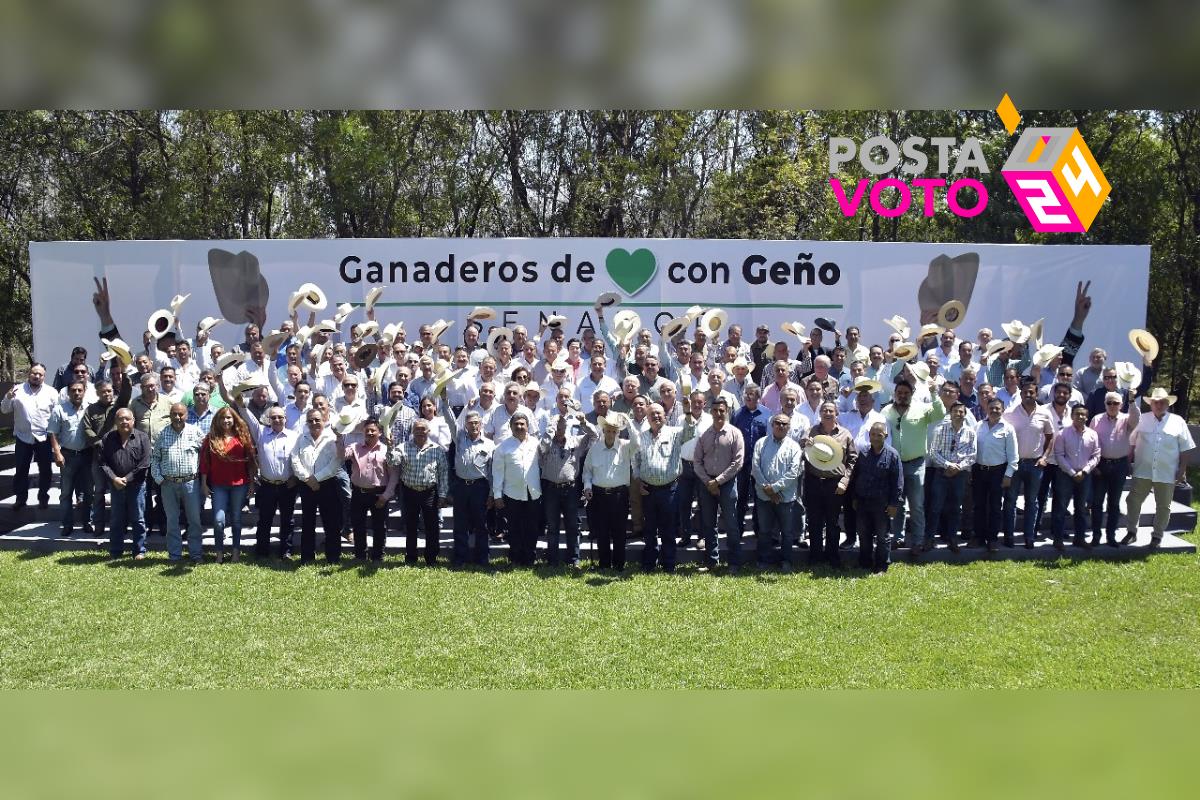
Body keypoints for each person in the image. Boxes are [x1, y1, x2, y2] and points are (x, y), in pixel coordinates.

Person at [1123, 388, 1196, 549]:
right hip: (1143, 470)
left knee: (1163, 505)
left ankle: (1157, 536)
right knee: (1133, 501)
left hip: (1166, 472)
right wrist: (1127, 462)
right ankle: (1131, 532)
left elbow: (1185, 448)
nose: (1158, 404)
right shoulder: (1142, 420)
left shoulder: (1178, 421)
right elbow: (1131, 441)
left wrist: (1182, 470)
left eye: (1162, 402)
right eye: (1155, 402)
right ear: (1151, 404)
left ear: (1167, 404)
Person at [882, 378, 945, 554]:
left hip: (916, 463)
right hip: (895, 465)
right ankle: (898, 538)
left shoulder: (922, 409)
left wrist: (934, 393)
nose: (902, 396)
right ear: (894, 394)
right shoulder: (886, 411)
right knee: (897, 503)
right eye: (899, 393)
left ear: (912, 394)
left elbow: (940, 413)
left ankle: (917, 540)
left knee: (916, 504)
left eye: (906, 393)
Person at [636, 402, 697, 573]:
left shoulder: (675, 433)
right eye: (652, 414)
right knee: (649, 529)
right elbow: (636, 461)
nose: (656, 416)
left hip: (669, 490)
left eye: (659, 413)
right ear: (647, 417)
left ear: (665, 416)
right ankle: (649, 563)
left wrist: (688, 412)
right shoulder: (641, 436)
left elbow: (691, 431)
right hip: (647, 490)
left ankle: (668, 563)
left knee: (668, 529)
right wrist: (638, 481)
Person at [693, 397, 746, 573]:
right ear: (711, 412)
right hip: (706, 484)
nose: (718, 414)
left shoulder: (735, 433)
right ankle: (711, 561)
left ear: (727, 411)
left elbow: (738, 462)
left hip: (727, 484)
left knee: (731, 523)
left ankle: (734, 562)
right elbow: (697, 461)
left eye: (721, 410)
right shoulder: (704, 434)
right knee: (708, 524)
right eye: (715, 411)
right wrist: (708, 481)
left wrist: (718, 481)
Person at [242, 404, 300, 559]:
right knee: (265, 520)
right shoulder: (261, 433)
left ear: (285, 419)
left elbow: (299, 458)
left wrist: (295, 478)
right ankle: (262, 551)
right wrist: (241, 405)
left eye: (280, 417)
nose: (277, 420)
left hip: (288, 485)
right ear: (269, 419)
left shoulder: (294, 436)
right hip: (267, 485)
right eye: (273, 417)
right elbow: (250, 419)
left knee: (287, 520)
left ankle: (285, 551)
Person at [200, 406, 257, 562]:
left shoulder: (243, 437)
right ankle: (219, 553)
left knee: (237, 519)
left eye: (229, 418)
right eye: (223, 418)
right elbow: (205, 462)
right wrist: (204, 484)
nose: (226, 420)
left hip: (239, 484)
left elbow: (250, 462)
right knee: (219, 521)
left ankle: (236, 552)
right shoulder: (211, 437)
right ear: (217, 420)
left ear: (234, 419)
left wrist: (252, 484)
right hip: (219, 485)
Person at [803, 400, 856, 567]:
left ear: (836, 414)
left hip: (835, 484)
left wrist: (845, 480)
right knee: (814, 521)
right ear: (820, 413)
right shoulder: (811, 431)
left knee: (833, 523)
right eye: (824, 410)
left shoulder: (845, 434)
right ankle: (815, 556)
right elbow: (802, 450)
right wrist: (804, 443)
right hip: (814, 482)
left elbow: (853, 460)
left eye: (831, 411)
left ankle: (833, 556)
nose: (827, 413)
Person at [538, 406, 593, 568]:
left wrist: (583, 422)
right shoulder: (546, 442)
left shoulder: (575, 442)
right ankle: (552, 560)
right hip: (551, 489)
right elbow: (542, 450)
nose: (559, 430)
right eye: (557, 427)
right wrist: (550, 430)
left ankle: (574, 559)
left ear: (567, 427)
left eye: (562, 427)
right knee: (553, 526)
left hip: (570, 489)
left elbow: (594, 436)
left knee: (572, 526)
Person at [1003, 377, 1055, 549]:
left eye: (1031, 392)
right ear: (1021, 393)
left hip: (1035, 465)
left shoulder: (1044, 413)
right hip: (1015, 464)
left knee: (1032, 502)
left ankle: (1029, 537)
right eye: (1024, 392)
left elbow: (1050, 436)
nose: (1027, 395)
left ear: (1036, 393)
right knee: (1010, 501)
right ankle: (1009, 536)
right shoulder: (1010, 413)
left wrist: (1045, 457)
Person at [151, 403, 206, 563]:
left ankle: (196, 554)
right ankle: (175, 555)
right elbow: (155, 458)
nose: (177, 417)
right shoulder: (163, 433)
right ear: (170, 415)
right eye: (174, 414)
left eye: (181, 414)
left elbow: (205, 457)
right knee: (172, 521)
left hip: (191, 483)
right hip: (168, 484)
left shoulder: (195, 432)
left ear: (187, 415)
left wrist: (203, 479)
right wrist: (159, 479)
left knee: (194, 520)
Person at [582, 413, 638, 571]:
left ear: (618, 432)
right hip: (599, 495)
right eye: (608, 430)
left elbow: (638, 443)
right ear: (603, 430)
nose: (611, 433)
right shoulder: (595, 449)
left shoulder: (626, 446)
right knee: (602, 531)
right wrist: (587, 486)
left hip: (619, 495)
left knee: (619, 531)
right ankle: (604, 564)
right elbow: (587, 471)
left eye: (614, 431)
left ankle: (619, 565)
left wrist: (629, 423)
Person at [443, 405, 496, 566]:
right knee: (460, 524)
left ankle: (483, 558)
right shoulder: (459, 438)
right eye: (470, 423)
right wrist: (445, 403)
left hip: (480, 487)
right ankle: (460, 558)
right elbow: (451, 421)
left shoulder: (489, 445)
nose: (473, 425)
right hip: (460, 486)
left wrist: (492, 494)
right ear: (465, 425)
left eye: (476, 423)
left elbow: (492, 472)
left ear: (481, 425)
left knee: (481, 524)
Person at [2, 364, 60, 511]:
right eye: (34, 373)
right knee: (21, 469)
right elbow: (4, 409)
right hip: (23, 436)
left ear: (44, 376)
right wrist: (8, 397)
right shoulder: (17, 390)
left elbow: (57, 416)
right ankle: (20, 499)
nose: (37, 376)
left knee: (46, 469)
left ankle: (43, 498)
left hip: (44, 437)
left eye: (40, 374)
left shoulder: (52, 392)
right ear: (29, 374)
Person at [392, 419, 449, 565]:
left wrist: (442, 495)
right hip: (409, 492)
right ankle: (411, 557)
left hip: (429, 492)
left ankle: (431, 558)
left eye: (423, 429)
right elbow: (393, 462)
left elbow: (443, 474)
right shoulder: (403, 447)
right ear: (412, 431)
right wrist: (389, 447)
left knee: (432, 527)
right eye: (417, 429)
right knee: (410, 526)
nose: (420, 432)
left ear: (428, 431)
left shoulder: (437, 450)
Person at [291, 409, 344, 564]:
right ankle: (307, 556)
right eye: (311, 420)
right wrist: (307, 478)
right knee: (308, 522)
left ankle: (333, 557)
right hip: (306, 485)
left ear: (324, 420)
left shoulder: (332, 438)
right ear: (307, 423)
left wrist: (317, 478)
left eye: (317, 420)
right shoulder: (301, 438)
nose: (314, 423)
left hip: (327, 485)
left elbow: (336, 462)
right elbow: (295, 459)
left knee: (331, 523)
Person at [848, 421, 903, 572]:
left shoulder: (893, 455)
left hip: (882, 503)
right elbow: (856, 475)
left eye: (879, 435)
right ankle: (864, 563)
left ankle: (881, 566)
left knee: (882, 536)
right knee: (864, 534)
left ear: (885, 435)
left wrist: (893, 503)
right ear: (869, 435)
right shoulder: (864, 453)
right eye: (873, 434)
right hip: (863, 501)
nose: (876, 437)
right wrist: (854, 497)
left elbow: (898, 482)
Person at [751, 412, 803, 570]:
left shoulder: (794, 447)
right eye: (778, 423)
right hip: (763, 496)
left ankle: (786, 560)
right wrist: (768, 489)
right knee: (765, 531)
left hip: (785, 497)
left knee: (787, 532)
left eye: (784, 424)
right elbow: (755, 467)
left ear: (789, 427)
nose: (781, 426)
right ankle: (764, 560)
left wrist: (773, 489)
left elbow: (794, 472)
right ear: (772, 425)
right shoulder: (761, 443)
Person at [1090, 390, 1140, 547]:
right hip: (1100, 465)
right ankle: (1096, 536)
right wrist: (1093, 465)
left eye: (1116, 403)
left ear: (1121, 405)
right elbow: (1090, 442)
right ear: (1105, 404)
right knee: (1097, 503)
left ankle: (1111, 536)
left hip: (1119, 466)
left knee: (1114, 503)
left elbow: (1137, 418)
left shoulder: (1127, 419)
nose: (1112, 406)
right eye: (1109, 403)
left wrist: (1132, 400)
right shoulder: (1096, 419)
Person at [926, 403, 978, 552]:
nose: (958, 414)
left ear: (965, 414)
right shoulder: (940, 430)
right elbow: (933, 452)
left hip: (960, 475)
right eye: (955, 411)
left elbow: (972, 455)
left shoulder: (970, 433)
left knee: (955, 508)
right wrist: (948, 465)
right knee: (935, 507)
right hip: (941, 473)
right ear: (950, 413)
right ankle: (929, 539)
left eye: (961, 412)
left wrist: (958, 467)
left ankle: (952, 539)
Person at [98, 408, 150, 559]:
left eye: (127, 419)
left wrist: (126, 479)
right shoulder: (108, 438)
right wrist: (114, 478)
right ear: (116, 422)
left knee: (138, 519)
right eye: (120, 419)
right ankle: (115, 551)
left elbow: (145, 464)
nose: (124, 422)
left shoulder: (142, 438)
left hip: (137, 485)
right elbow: (102, 462)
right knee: (116, 520)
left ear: (133, 421)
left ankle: (139, 551)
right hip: (116, 486)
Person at [492, 411, 542, 566]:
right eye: (516, 424)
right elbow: (497, 472)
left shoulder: (536, 443)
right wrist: (497, 495)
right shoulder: (502, 447)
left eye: (522, 424)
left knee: (532, 528)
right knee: (514, 528)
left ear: (527, 426)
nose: (519, 426)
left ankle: (530, 558)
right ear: (510, 426)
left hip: (533, 492)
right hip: (512, 493)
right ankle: (515, 558)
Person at [347, 417, 398, 562]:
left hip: (379, 494)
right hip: (358, 492)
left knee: (380, 527)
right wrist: (339, 439)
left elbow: (394, 475)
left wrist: (386, 495)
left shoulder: (387, 449)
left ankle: (377, 556)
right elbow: (340, 455)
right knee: (358, 525)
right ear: (363, 431)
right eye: (367, 430)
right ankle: (360, 555)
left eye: (373, 430)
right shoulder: (355, 447)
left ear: (380, 432)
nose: (369, 433)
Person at [47, 381, 94, 537]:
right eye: (73, 390)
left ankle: (88, 522)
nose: (76, 393)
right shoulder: (59, 409)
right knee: (66, 493)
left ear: (84, 391)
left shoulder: (90, 408)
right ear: (68, 392)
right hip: (67, 455)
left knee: (88, 492)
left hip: (87, 455)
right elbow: (52, 433)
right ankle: (67, 524)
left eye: (79, 390)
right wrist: (57, 453)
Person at [1052, 404, 1102, 551]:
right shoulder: (1062, 434)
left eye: (1083, 414)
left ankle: (1079, 539)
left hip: (1085, 476)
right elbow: (1059, 456)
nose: (1080, 417)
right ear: (1072, 416)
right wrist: (1073, 473)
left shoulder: (1093, 434)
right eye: (1077, 414)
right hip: (1066, 475)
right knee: (1061, 508)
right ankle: (1058, 540)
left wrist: (1085, 471)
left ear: (1087, 417)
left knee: (1081, 508)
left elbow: (1096, 455)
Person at [972, 398, 1018, 551]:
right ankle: (979, 537)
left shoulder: (1008, 428)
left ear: (1002, 410)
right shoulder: (978, 426)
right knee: (979, 506)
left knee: (995, 506)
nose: (994, 411)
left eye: (997, 408)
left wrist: (1008, 475)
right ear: (986, 409)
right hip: (979, 471)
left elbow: (1013, 456)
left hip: (998, 472)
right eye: (991, 408)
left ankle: (992, 539)